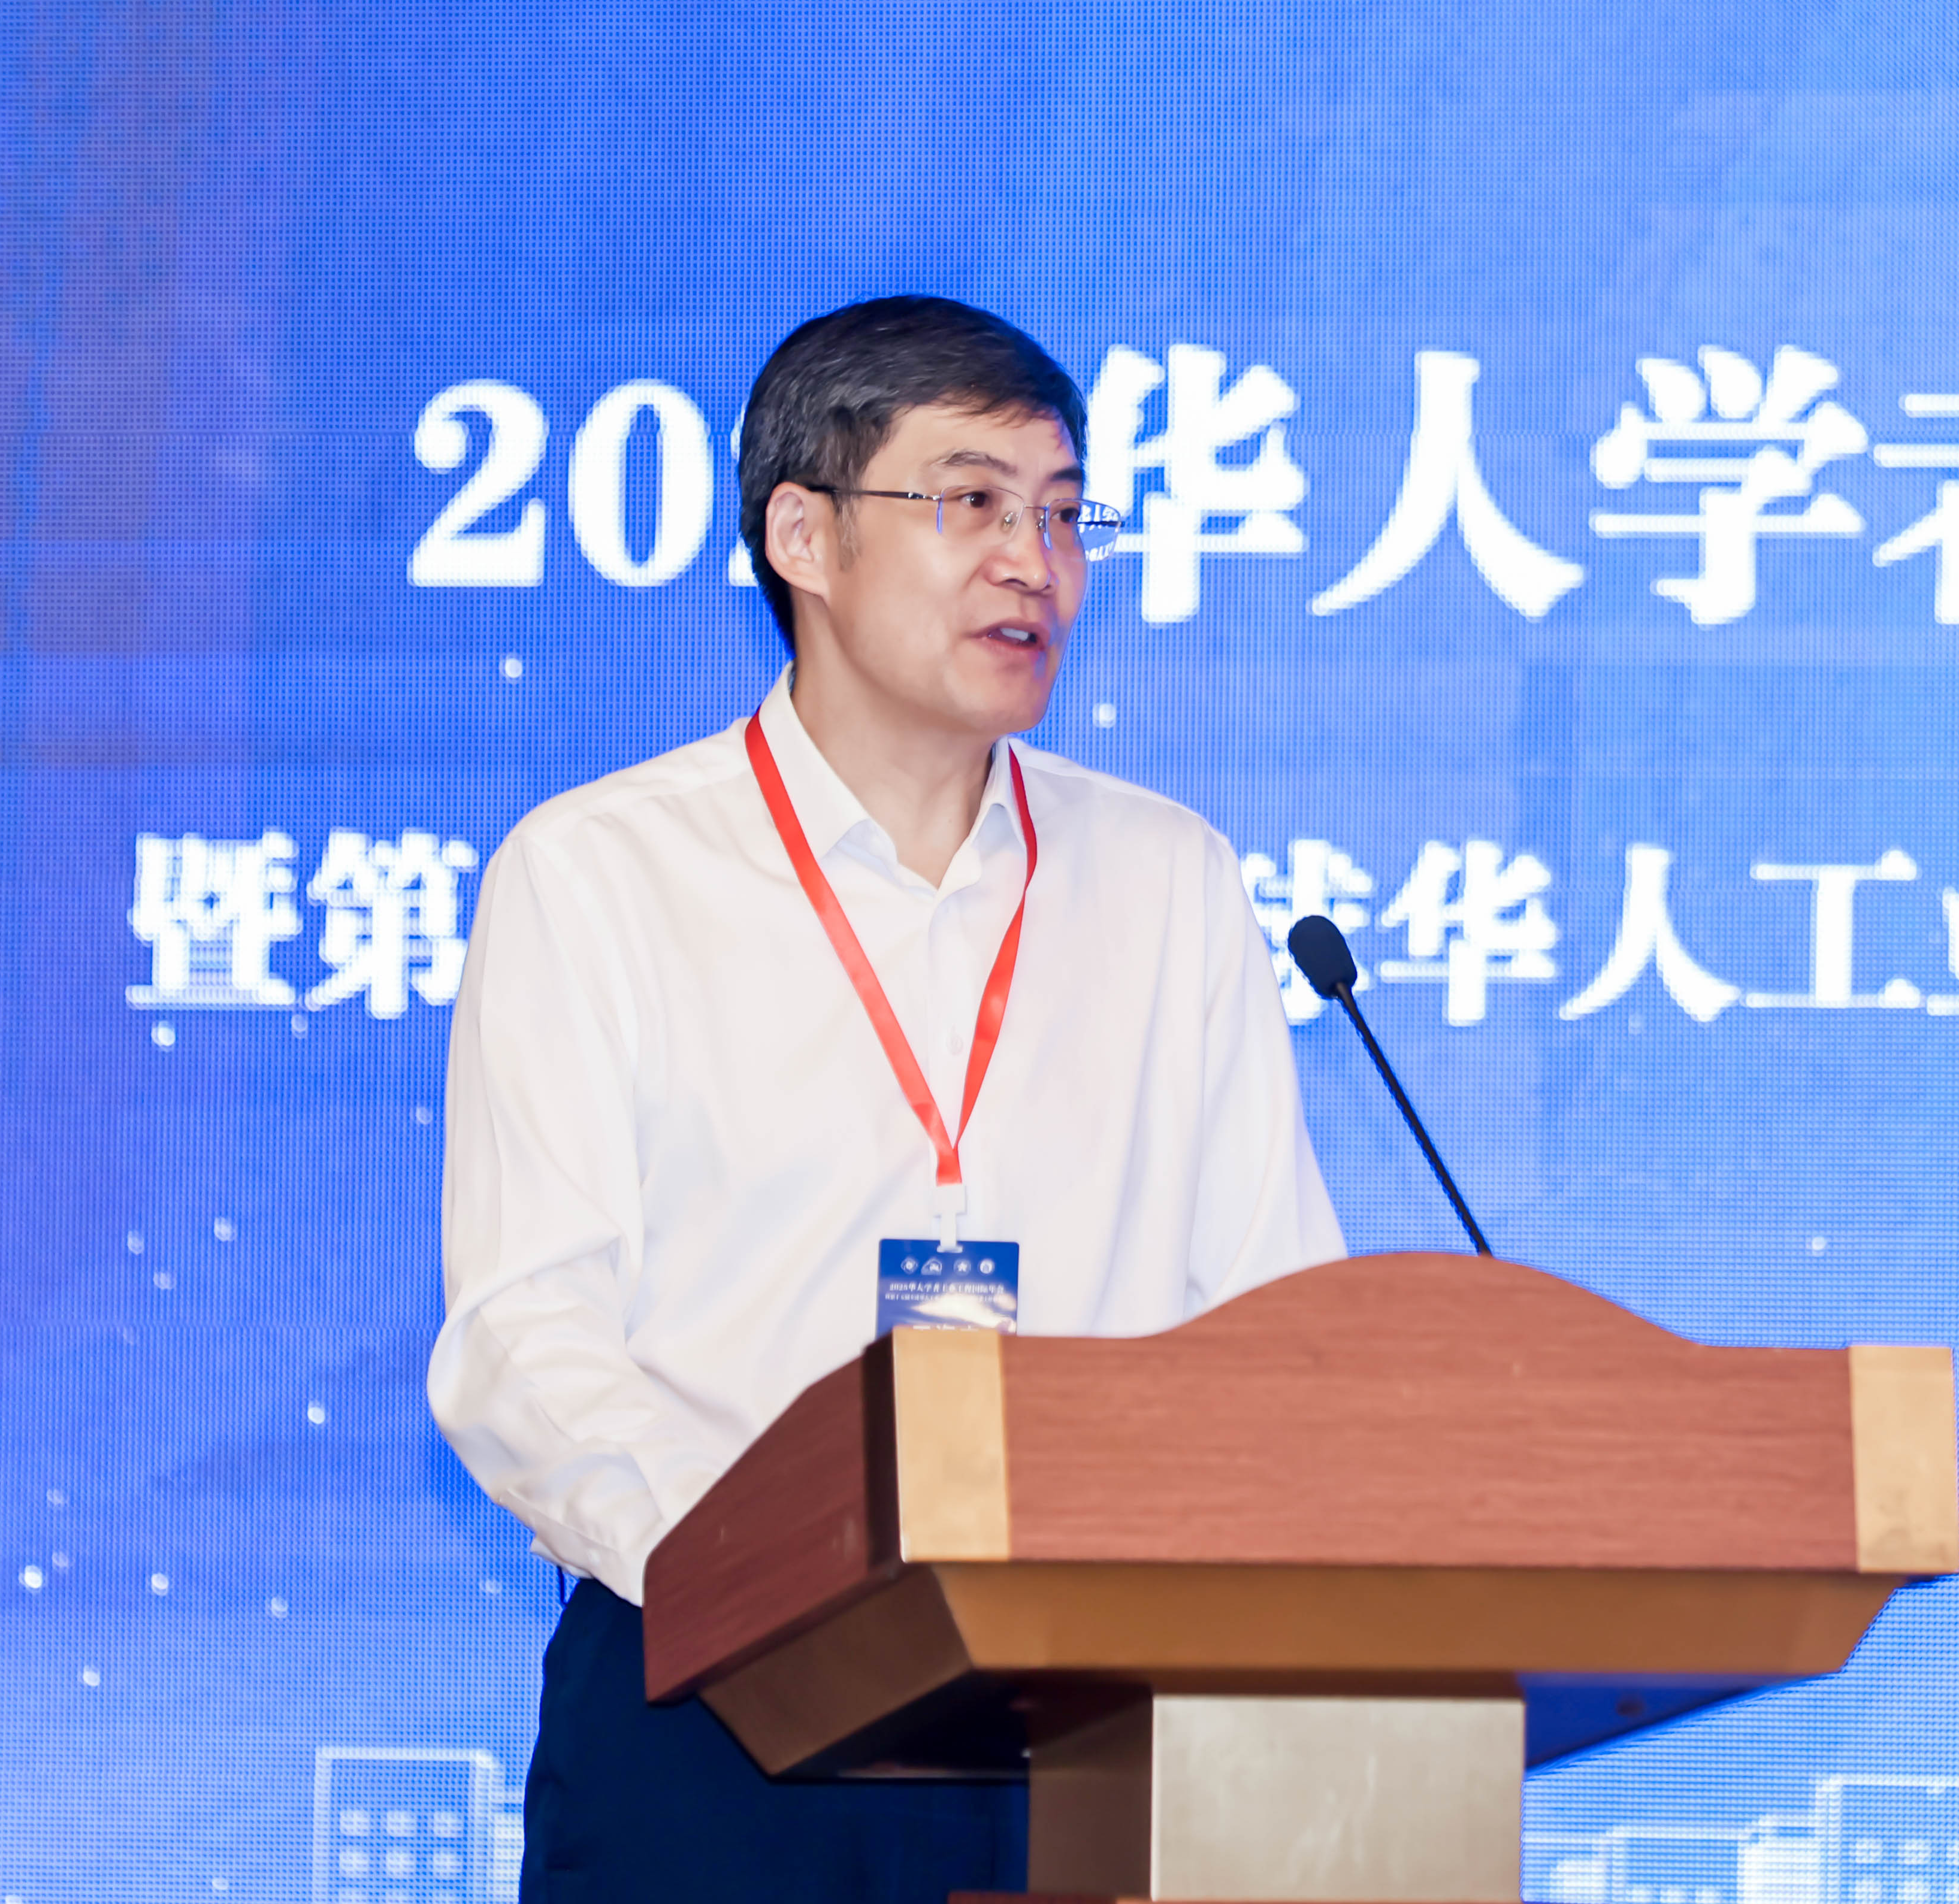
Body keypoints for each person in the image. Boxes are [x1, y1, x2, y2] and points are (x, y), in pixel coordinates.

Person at [428, 296, 1347, 1903]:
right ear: (804, 535)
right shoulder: (601, 875)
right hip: (715, 1714)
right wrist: (784, 1571)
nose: (1033, 564)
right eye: (970, 501)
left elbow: (1273, 1320)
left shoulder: (1167, 879)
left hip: (1095, 1715)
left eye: (1063, 515)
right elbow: (526, 1336)